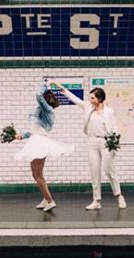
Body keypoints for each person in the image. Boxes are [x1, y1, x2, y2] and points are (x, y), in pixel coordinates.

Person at [49, 80, 126, 210]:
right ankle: (96, 200)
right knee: (94, 171)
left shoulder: (109, 112)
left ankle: (119, 196)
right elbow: (73, 98)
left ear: (99, 99)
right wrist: (58, 86)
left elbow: (114, 128)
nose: (90, 100)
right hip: (92, 142)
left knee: (108, 170)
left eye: (92, 98)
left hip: (106, 142)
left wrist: (114, 142)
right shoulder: (88, 108)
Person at [14, 81, 74, 212]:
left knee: (38, 175)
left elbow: (38, 95)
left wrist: (46, 84)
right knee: (36, 174)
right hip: (37, 141)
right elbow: (35, 131)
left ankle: (50, 200)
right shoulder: (43, 111)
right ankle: (46, 198)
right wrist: (22, 136)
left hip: (39, 143)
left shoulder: (47, 110)